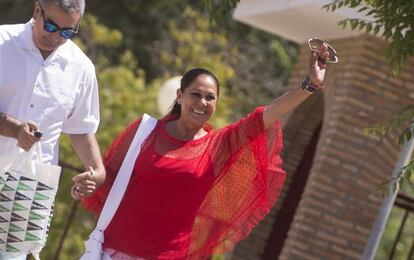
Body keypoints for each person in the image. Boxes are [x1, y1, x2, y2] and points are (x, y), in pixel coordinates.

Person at [83, 44, 330, 259]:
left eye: (210, 98)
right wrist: (88, 182)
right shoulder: (144, 130)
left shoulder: (218, 146)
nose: (202, 102)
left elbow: (263, 117)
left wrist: (309, 85)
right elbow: (107, 178)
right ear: (180, 96)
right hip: (111, 252)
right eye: (196, 95)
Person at [0, 0, 105, 258]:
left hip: (29, 187)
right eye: (50, 25)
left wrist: (96, 170)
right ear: (37, 10)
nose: (57, 36)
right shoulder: (2, 42)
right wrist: (13, 128)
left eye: (68, 31)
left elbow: (80, 129)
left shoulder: (81, 68)